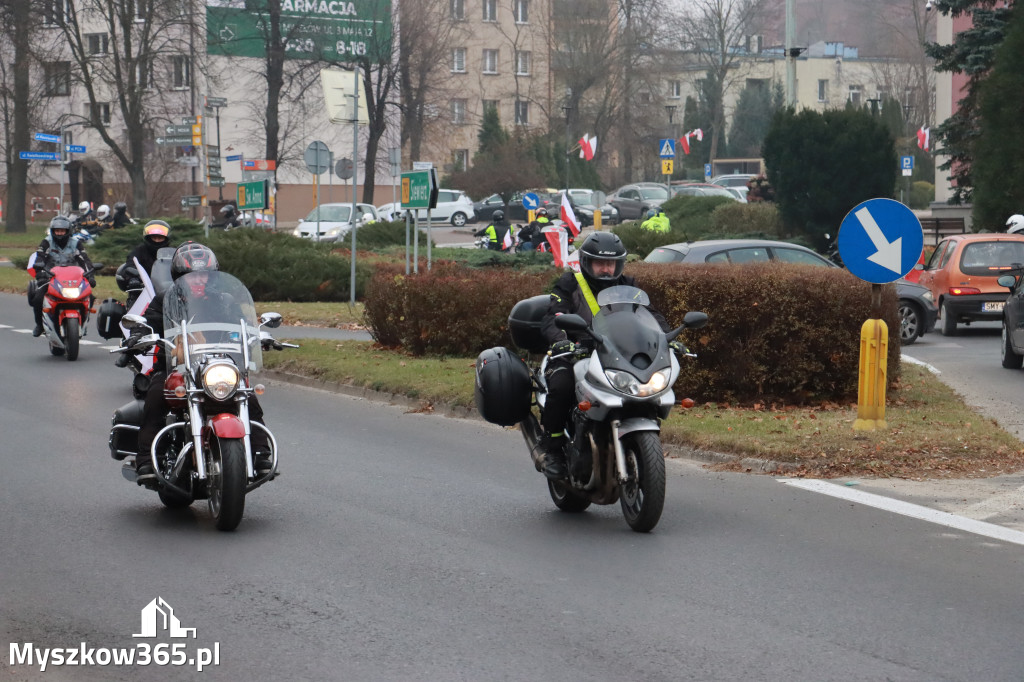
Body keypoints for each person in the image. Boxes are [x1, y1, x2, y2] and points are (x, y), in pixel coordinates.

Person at [535, 232, 670, 479]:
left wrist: (666, 337)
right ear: (587, 262)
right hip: (576, 353)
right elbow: (552, 318)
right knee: (562, 384)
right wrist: (562, 341)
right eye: (601, 263)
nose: (607, 269)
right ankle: (551, 445)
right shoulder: (570, 283)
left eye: (612, 264)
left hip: (616, 355)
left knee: (647, 387)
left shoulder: (628, 285)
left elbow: (649, 314)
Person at [133, 242, 271, 483]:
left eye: (203, 275)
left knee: (247, 394)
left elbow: (243, 326)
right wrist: (139, 334)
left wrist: (258, 336)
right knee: (155, 395)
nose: (198, 280)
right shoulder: (165, 300)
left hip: (218, 365)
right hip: (175, 368)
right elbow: (146, 323)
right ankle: (145, 459)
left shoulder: (224, 301)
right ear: (179, 276)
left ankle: (260, 453)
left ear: (211, 276)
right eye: (191, 275)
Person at [30, 216, 95, 337]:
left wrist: (90, 275)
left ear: (68, 231)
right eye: (57, 230)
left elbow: (84, 260)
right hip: (51, 278)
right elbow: (40, 258)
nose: (59, 233)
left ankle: (84, 321)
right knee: (38, 298)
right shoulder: (46, 242)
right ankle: (39, 324)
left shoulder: (76, 243)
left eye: (62, 230)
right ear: (52, 231)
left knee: (90, 296)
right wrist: (41, 274)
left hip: (73, 279)